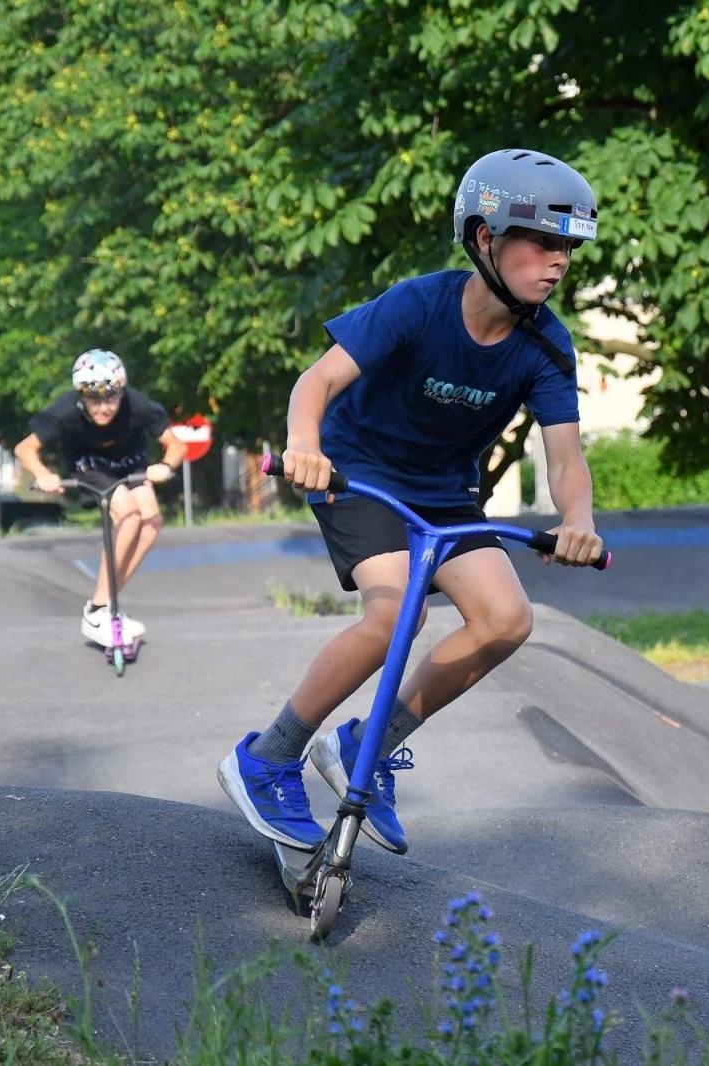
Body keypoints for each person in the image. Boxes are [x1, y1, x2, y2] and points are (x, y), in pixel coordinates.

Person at [216, 148, 606, 855]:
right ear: (486, 238)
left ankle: (367, 747)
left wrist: (577, 520)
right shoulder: (419, 304)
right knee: (396, 609)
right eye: (543, 243)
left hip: (444, 490)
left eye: (568, 249)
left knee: (506, 619)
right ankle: (269, 757)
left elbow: (566, 457)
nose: (558, 263)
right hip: (357, 469)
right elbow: (316, 381)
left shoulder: (547, 346)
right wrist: (304, 443)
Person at [13, 349, 185, 644]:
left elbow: (176, 446)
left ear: (121, 392)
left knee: (152, 521)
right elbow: (24, 449)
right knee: (129, 515)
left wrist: (165, 466)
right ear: (81, 395)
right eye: (94, 400)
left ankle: (105, 605)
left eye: (111, 398)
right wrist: (43, 474)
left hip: (130, 464)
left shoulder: (137, 405)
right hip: (89, 465)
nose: (103, 408)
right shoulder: (64, 410)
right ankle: (97, 608)